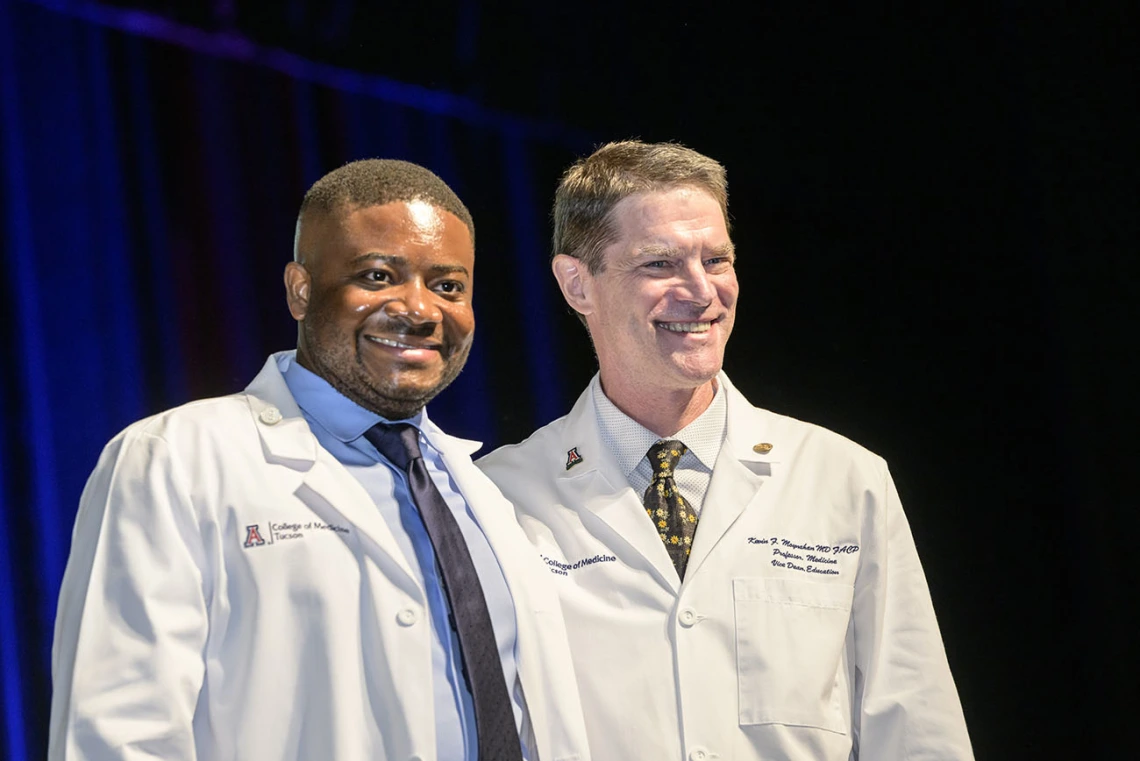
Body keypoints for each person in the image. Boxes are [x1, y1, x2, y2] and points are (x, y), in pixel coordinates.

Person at [49, 159, 590, 761]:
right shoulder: (176, 460)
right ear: (300, 290)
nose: (419, 309)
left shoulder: (480, 492)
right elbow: (119, 735)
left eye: (448, 286)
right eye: (380, 275)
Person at [478, 140, 973, 760]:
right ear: (578, 284)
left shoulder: (844, 477)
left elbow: (916, 727)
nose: (701, 292)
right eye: (660, 264)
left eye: (716, 259)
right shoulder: (499, 496)